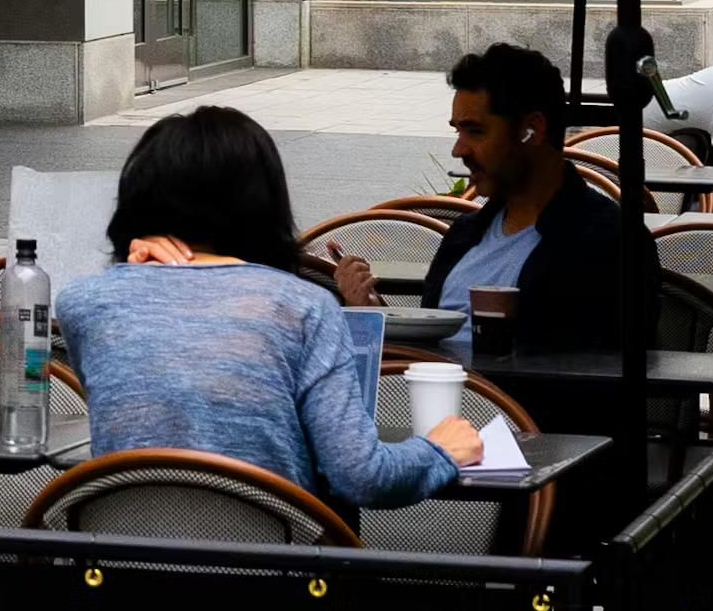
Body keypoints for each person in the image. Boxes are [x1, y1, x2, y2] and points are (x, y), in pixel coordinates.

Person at [55, 106, 480, 513]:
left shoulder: (84, 303)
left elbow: (148, 414)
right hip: (274, 557)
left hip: (118, 556)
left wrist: (131, 273)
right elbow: (362, 476)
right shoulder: (303, 309)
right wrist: (440, 450)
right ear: (263, 206)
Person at [426, 44, 661, 366]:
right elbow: (427, 342)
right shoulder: (464, 234)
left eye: (475, 131)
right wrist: (376, 313)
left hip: (516, 400)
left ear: (532, 131)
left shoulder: (608, 242)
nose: (459, 150)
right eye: (458, 131)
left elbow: (596, 374)